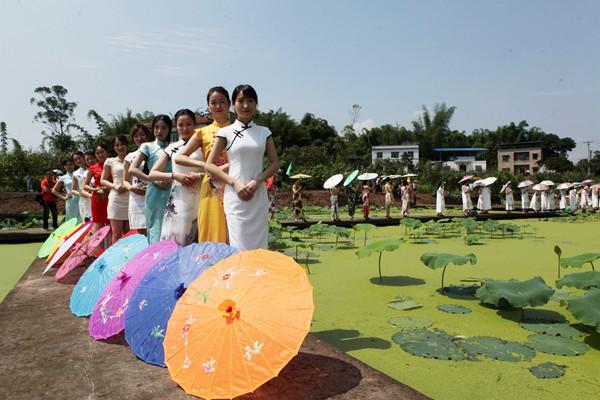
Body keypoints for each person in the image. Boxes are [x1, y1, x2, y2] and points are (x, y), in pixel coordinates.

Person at [205, 84, 280, 250]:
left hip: (258, 195)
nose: (246, 105)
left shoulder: (264, 132)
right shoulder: (225, 132)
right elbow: (209, 165)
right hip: (235, 196)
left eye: (250, 101)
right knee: (239, 247)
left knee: (260, 247)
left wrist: (257, 180)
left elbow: (275, 164)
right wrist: (234, 183)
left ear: (256, 104)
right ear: (233, 104)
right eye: (241, 101)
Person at [176, 86, 231, 243]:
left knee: (232, 230)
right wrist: (206, 166)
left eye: (222, 102)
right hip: (212, 187)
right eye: (213, 102)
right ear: (208, 106)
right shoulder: (203, 132)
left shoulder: (237, 130)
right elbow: (180, 157)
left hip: (234, 182)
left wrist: (223, 168)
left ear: (230, 104)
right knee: (211, 230)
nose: (218, 106)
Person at [149, 109, 203, 246]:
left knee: (199, 242)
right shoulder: (172, 148)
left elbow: (214, 168)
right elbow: (153, 173)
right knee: (175, 243)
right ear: (176, 126)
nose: (184, 128)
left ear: (195, 125)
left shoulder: (203, 144)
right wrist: (175, 176)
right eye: (180, 125)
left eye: (189, 124)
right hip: (178, 200)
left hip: (201, 196)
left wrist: (200, 176)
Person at [129, 115, 173, 244]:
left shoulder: (175, 146)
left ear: (169, 129)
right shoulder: (147, 147)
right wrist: (153, 179)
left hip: (174, 191)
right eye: (156, 127)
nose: (159, 131)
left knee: (173, 228)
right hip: (155, 193)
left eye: (163, 128)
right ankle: (155, 259)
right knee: (156, 227)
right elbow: (133, 169)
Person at [101, 135, 130, 243]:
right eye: (117, 145)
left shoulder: (133, 158)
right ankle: (116, 258)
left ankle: (130, 258)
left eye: (122, 144)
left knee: (129, 233)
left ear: (127, 145)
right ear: (114, 148)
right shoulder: (110, 161)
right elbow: (103, 180)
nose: (120, 147)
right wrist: (114, 186)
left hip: (130, 197)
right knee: (116, 233)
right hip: (116, 198)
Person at [123, 124, 152, 235]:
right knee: (142, 232)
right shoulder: (129, 157)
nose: (140, 138)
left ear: (147, 135)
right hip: (137, 198)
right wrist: (132, 188)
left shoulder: (156, 152)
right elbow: (125, 180)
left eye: (142, 135)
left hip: (154, 194)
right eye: (136, 136)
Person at [84, 144, 110, 234]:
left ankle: (111, 247)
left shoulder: (113, 164)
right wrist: (94, 189)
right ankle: (100, 248)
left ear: (107, 152)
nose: (100, 155)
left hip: (111, 197)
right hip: (98, 199)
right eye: (97, 153)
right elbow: (85, 186)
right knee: (99, 226)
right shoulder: (92, 168)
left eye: (102, 152)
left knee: (112, 226)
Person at [52, 158, 81, 223]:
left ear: (74, 165)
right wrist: (64, 197)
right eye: (66, 165)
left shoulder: (79, 174)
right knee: (71, 221)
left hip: (81, 199)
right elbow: (54, 190)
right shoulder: (63, 177)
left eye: (70, 164)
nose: (69, 166)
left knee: (82, 220)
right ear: (64, 167)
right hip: (71, 201)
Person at [71, 150, 95, 221]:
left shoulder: (93, 169)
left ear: (83, 157)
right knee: (88, 223)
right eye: (75, 160)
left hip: (96, 197)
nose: (78, 161)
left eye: (79, 158)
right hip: (84, 201)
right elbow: (73, 190)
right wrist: (81, 194)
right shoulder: (76, 173)